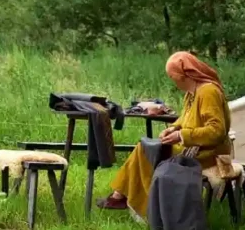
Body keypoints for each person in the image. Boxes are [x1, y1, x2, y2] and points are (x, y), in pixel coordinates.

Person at [97, 51, 231, 219]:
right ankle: (125, 198)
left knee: (150, 152)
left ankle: (143, 207)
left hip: (208, 153)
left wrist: (182, 135)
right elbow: (185, 118)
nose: (173, 82)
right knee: (146, 147)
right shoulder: (192, 93)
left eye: (173, 77)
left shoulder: (208, 92)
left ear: (185, 75)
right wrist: (173, 128)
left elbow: (216, 131)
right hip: (193, 146)